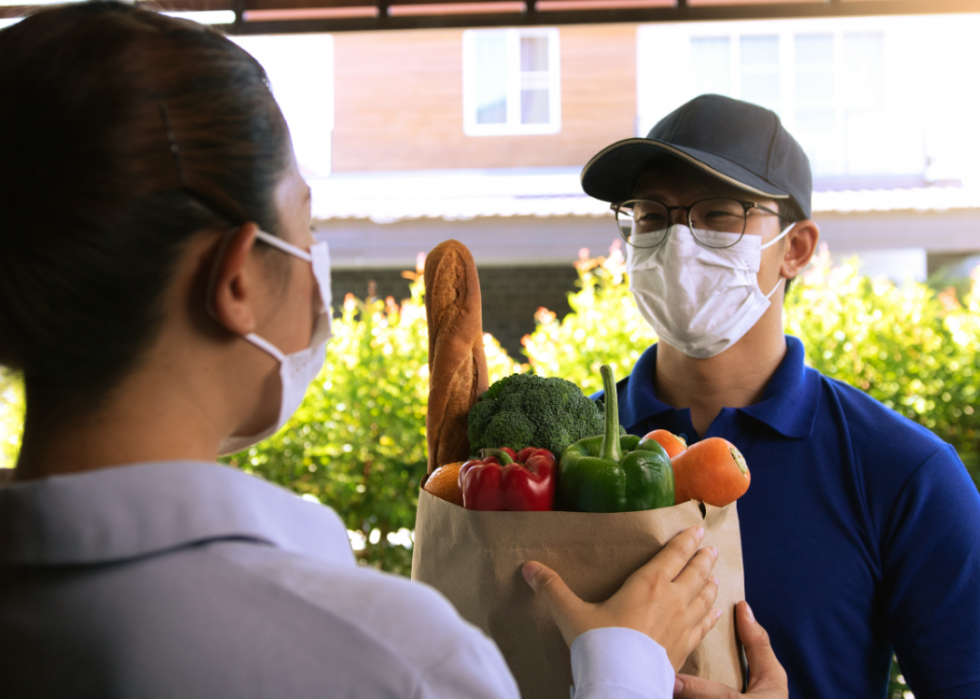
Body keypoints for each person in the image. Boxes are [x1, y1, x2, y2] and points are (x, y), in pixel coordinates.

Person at [0, 6, 786, 697]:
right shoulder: (391, 658)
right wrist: (624, 665)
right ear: (236, 276)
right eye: (305, 223)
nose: (315, 259)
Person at [580, 94, 980, 699]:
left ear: (795, 248)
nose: (678, 242)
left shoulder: (903, 473)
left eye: (719, 214)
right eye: (651, 215)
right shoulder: (560, 455)